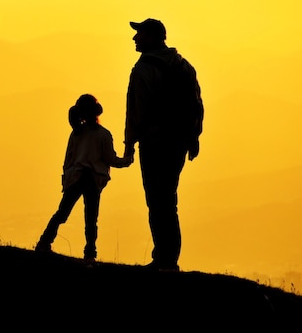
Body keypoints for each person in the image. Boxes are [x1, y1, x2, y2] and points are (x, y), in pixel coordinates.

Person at [123, 18, 204, 272]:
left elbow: (136, 110)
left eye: (140, 34)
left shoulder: (144, 69)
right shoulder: (184, 66)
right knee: (169, 200)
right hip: (178, 142)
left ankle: (164, 260)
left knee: (157, 200)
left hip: (154, 142)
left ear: (153, 37)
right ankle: (169, 259)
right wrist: (193, 138)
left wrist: (129, 144)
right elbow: (196, 105)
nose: (135, 39)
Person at [35, 94, 133, 264]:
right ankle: (90, 253)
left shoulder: (76, 134)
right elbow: (111, 159)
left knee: (62, 213)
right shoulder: (103, 135)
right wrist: (128, 159)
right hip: (92, 180)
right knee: (91, 218)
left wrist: (67, 178)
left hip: (76, 177)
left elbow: (69, 159)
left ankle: (44, 242)